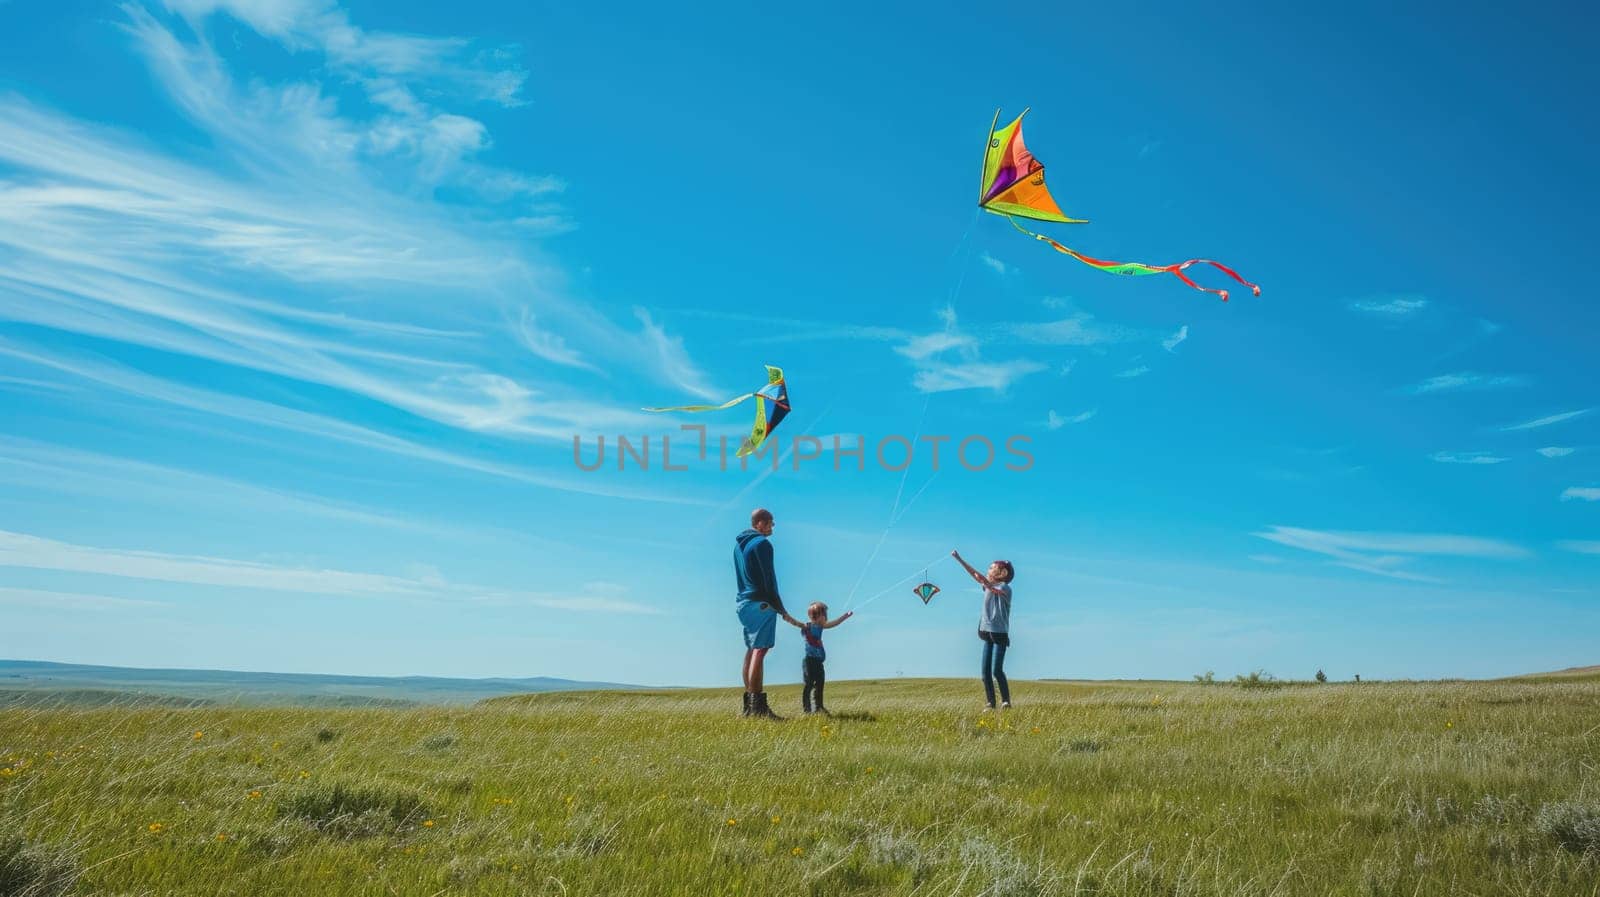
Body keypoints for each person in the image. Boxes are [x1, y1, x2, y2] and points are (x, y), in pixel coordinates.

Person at [735, 508, 801, 718]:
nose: (772, 527)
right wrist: (782, 610)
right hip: (760, 603)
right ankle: (758, 708)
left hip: (743, 603)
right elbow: (769, 580)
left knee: (751, 649)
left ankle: (748, 706)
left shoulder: (738, 546)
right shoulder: (763, 544)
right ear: (760, 523)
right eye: (771, 523)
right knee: (760, 650)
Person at [952, 550, 1015, 710]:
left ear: (1002, 573)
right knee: (984, 672)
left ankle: (1006, 701)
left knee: (996, 670)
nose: (988, 570)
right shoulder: (987, 586)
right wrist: (959, 559)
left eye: (991, 568)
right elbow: (976, 575)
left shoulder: (1006, 589)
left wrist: (983, 580)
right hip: (987, 633)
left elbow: (989, 585)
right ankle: (990, 703)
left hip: (1000, 634)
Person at [786, 601, 852, 715]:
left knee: (820, 683)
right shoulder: (807, 626)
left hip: (818, 661)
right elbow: (796, 623)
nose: (826, 618)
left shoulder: (822, 626)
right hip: (809, 661)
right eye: (824, 615)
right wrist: (788, 618)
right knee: (809, 684)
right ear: (817, 616)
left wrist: (845, 616)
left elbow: (835, 623)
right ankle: (807, 709)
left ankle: (819, 707)